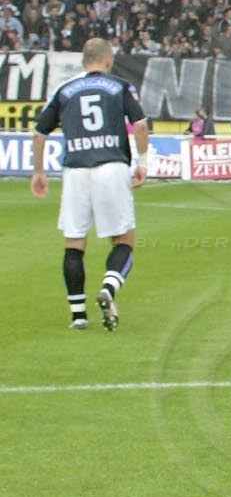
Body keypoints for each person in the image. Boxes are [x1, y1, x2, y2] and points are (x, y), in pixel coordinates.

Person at [30, 36, 148, 330]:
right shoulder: (119, 86)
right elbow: (141, 124)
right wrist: (142, 163)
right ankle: (109, 287)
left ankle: (78, 316)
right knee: (124, 239)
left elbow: (39, 133)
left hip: (75, 171)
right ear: (108, 60)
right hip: (111, 166)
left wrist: (38, 172)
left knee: (74, 243)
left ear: (84, 61)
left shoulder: (64, 90)